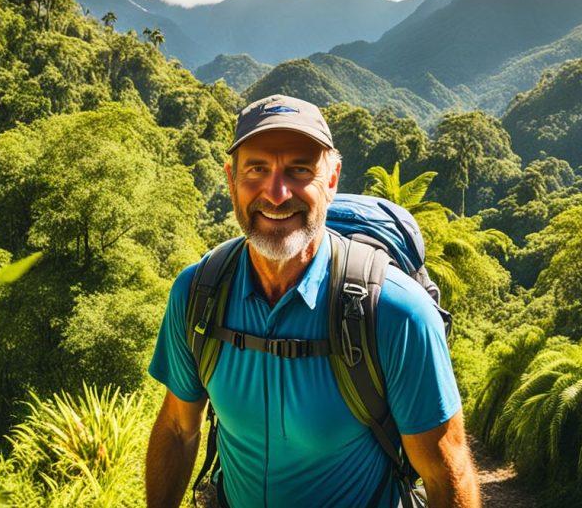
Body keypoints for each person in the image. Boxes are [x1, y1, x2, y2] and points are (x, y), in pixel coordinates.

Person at [145, 94, 480, 507]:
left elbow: (447, 469)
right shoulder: (200, 293)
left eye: (299, 170)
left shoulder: (396, 313)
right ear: (231, 179)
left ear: (333, 179)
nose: (277, 193)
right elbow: (178, 428)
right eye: (257, 169)